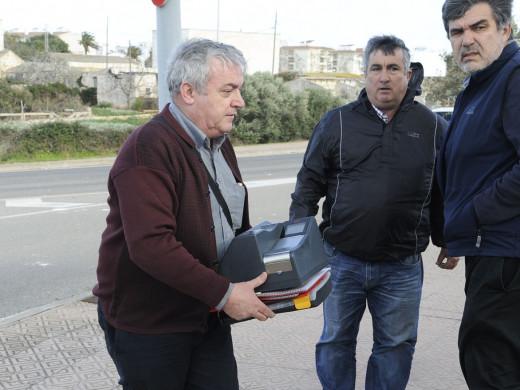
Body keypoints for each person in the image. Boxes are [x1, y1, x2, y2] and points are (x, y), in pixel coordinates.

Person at [92, 39, 275, 390]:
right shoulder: (148, 148)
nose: (240, 101)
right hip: (151, 324)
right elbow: (151, 245)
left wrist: (269, 271)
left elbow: (231, 224)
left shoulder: (218, 141)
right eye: (228, 90)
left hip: (206, 315)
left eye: (239, 89)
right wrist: (226, 294)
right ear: (189, 92)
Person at [289, 35, 459, 390]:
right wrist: (297, 244)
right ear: (364, 74)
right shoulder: (335, 122)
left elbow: (443, 190)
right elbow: (309, 185)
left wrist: (448, 239)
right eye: (376, 68)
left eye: (393, 68)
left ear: (409, 75)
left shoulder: (433, 128)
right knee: (335, 341)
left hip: (401, 266)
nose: (384, 77)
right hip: (341, 260)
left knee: (395, 347)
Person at [438, 0, 520, 388]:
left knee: (488, 361)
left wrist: (471, 217)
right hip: (489, 248)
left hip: (506, 256)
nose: (466, 39)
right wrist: (456, 232)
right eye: (457, 31)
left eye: (479, 27)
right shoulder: (479, 84)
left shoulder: (514, 78)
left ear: (506, 30)